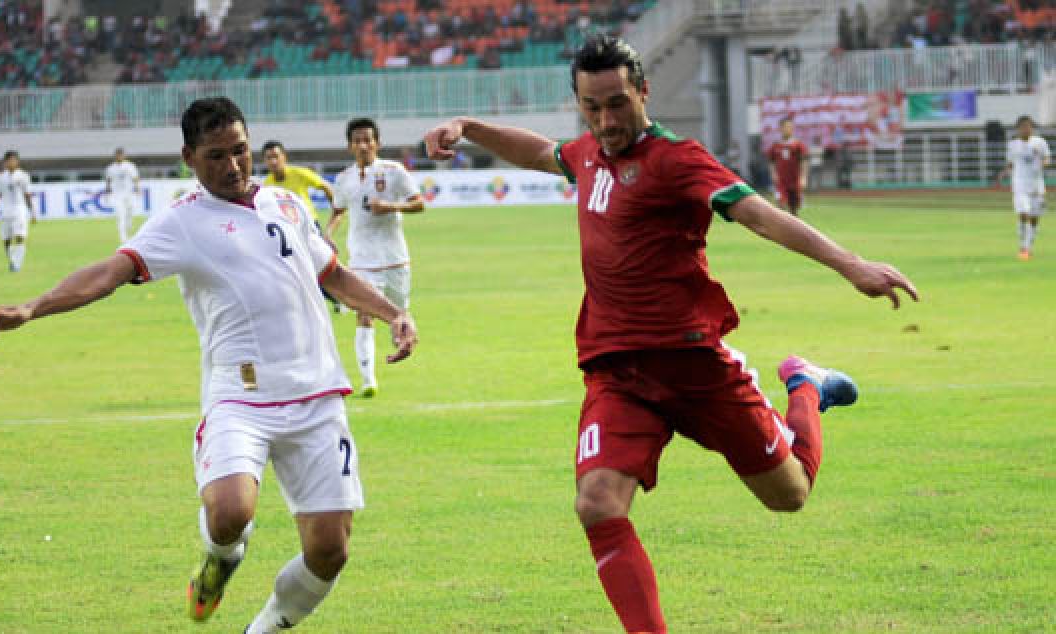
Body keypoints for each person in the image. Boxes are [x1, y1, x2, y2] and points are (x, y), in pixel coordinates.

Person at [423, 34, 918, 634]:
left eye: (617, 104)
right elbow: (542, 152)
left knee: (789, 494)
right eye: (591, 107)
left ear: (643, 92)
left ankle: (805, 386)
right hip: (619, 373)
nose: (606, 120)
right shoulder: (587, 154)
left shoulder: (676, 160)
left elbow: (759, 214)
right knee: (597, 503)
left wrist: (850, 264)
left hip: (695, 367)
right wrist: (468, 125)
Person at [0, 97, 418, 634]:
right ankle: (221, 559)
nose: (233, 166)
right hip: (241, 397)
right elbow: (109, 273)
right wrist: (32, 308)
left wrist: (394, 313)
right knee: (231, 512)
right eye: (217, 156)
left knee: (330, 551)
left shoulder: (287, 204)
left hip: (317, 396)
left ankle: (262, 628)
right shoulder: (182, 221)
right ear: (189, 157)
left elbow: (335, 275)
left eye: (240, 151)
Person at [326, 118, 425, 398]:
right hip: (361, 259)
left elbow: (419, 203)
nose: (363, 145)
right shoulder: (344, 179)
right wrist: (329, 233)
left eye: (368, 139)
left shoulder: (394, 171)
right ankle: (368, 379)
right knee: (364, 314)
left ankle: (401, 347)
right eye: (357, 140)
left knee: (400, 314)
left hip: (395, 258)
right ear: (349, 146)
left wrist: (390, 206)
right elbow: (338, 210)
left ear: (377, 143)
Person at [261, 139, 343, 311]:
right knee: (300, 272)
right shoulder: (266, 185)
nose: (273, 161)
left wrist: (335, 212)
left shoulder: (299, 174)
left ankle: (341, 298)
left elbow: (326, 187)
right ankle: (334, 300)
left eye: (276, 156)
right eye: (269, 158)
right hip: (286, 233)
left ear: (284, 157)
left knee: (320, 268)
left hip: (309, 229)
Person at [995, 115, 1051, 260]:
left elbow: (1047, 159)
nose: (1026, 129)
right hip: (1019, 183)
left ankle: (1029, 246)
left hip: (1036, 184)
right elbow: (1011, 163)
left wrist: (1043, 163)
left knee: (1034, 217)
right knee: (1024, 212)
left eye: (1029, 126)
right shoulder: (1013, 145)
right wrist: (1004, 173)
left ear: (1032, 127)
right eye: (1023, 127)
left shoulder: (1040, 143)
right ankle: (1023, 247)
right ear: (1018, 129)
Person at [0, 150, 35, 272]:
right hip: (5, 210)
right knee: (6, 239)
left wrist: (32, 212)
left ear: (17, 161)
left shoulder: (24, 176)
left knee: (20, 236)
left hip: (19, 209)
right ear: (5, 162)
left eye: (14, 160)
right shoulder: (0, 178)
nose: (11, 162)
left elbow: (27, 194)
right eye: (9, 160)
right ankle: (12, 260)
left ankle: (17, 264)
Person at [768, 116, 809, 215]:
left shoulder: (798, 145)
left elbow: (804, 161)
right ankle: (781, 228)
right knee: (781, 204)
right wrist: (773, 174)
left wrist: (803, 177)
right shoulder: (775, 145)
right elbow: (771, 161)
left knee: (794, 208)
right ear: (780, 128)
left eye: (790, 127)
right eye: (786, 127)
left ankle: (794, 228)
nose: (788, 129)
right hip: (781, 181)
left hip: (795, 180)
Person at [104, 147, 141, 243]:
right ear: (115, 156)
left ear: (124, 155)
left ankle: (128, 225)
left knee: (131, 210)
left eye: (121, 155)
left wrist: (137, 189)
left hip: (129, 193)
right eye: (117, 155)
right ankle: (123, 237)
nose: (119, 156)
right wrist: (107, 192)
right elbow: (108, 180)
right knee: (120, 215)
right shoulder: (111, 168)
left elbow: (135, 177)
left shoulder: (129, 166)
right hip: (117, 195)